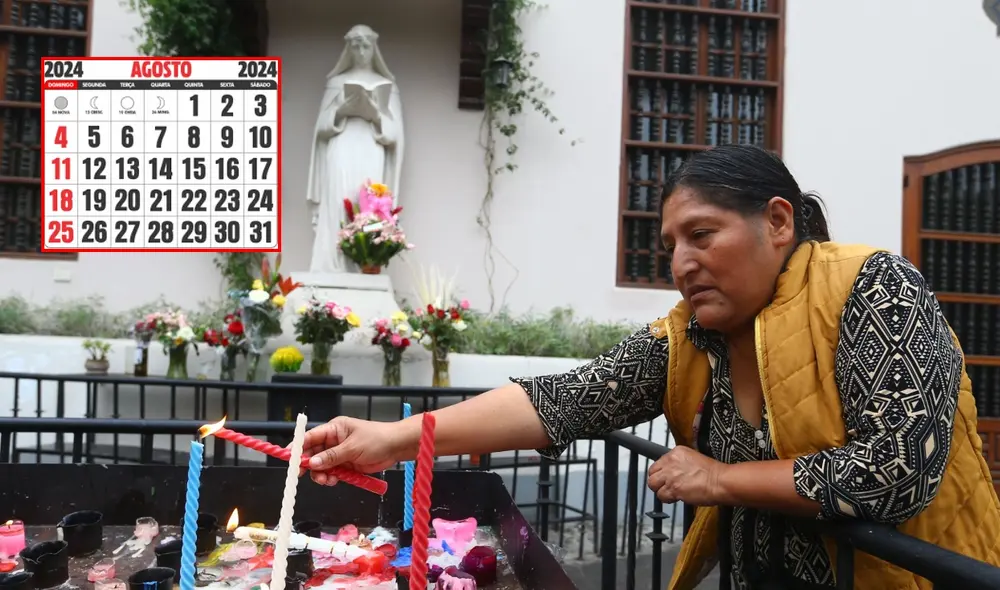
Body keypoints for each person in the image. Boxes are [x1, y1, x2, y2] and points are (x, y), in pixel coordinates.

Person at [301, 145, 1000, 589]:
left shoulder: (874, 288)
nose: (681, 263)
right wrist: (392, 439)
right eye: (670, 244)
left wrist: (721, 479)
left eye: (702, 235)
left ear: (778, 222)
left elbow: (895, 472)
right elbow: (563, 400)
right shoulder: (692, 336)